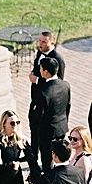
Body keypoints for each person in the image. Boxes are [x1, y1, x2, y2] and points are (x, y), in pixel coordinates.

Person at [28, 31, 65, 165]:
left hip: (46, 108)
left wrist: (37, 80)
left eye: (44, 42)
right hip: (35, 102)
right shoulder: (40, 53)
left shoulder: (57, 60)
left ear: (52, 43)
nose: (40, 44)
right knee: (34, 136)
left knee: (45, 145)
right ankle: (33, 162)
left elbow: (57, 84)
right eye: (39, 41)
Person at [37, 56, 71, 173]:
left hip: (48, 132)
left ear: (46, 72)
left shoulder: (43, 91)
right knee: (61, 156)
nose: (40, 71)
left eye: (41, 68)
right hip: (61, 127)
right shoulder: (65, 85)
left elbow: (39, 115)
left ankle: (49, 179)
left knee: (47, 159)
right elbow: (68, 106)